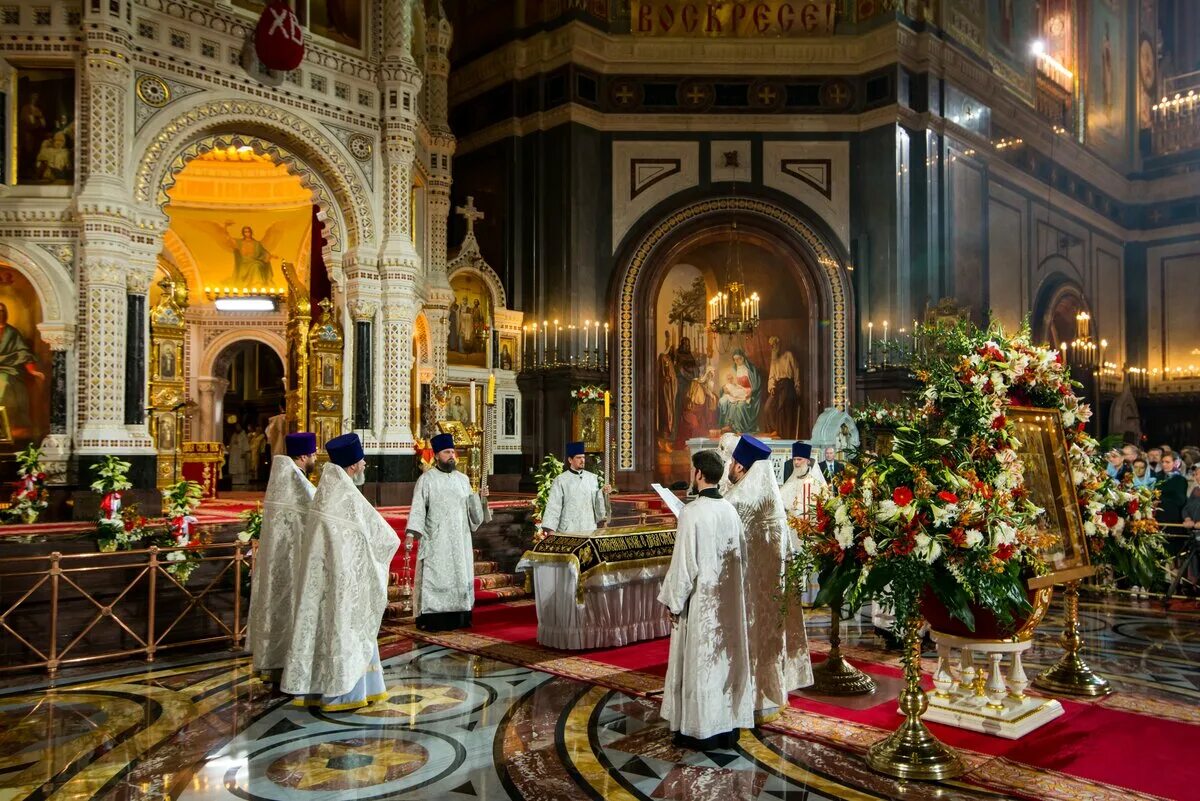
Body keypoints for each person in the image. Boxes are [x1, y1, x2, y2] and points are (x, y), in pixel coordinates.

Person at [282, 433, 397, 711]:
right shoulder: (345, 498)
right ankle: (346, 692)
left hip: (325, 582)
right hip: (346, 585)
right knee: (346, 630)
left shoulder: (327, 492)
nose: (366, 465)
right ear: (353, 466)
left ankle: (322, 687)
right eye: (362, 461)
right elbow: (381, 538)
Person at [658, 449, 754, 751]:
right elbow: (742, 558)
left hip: (701, 604)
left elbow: (684, 566)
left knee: (701, 666)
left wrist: (673, 602)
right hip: (726, 602)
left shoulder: (692, 513)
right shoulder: (730, 510)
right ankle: (725, 727)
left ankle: (697, 729)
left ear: (698, 474)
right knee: (723, 664)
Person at [723, 434, 812, 722]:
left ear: (741, 467)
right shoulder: (773, 498)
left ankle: (746, 697)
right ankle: (772, 692)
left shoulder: (736, 500)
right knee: (770, 639)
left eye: (733, 462)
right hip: (774, 590)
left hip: (746, 591)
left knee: (748, 639)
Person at [248, 433, 317, 685]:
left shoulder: (284, 477)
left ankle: (275, 662)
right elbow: (318, 510)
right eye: (313, 454)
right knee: (289, 606)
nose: (315, 458)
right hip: (293, 557)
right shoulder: (297, 483)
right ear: (303, 456)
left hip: (283, 555)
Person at [406, 432, 488, 632]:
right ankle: (433, 618)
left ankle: (459, 616)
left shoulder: (463, 479)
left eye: (453, 451)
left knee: (459, 575)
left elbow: (474, 516)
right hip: (436, 539)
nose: (452, 455)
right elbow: (418, 508)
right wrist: (411, 533)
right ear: (436, 455)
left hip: (460, 539)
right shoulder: (426, 480)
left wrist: (481, 498)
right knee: (436, 575)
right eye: (446, 452)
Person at [540, 441, 610, 534]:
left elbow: (596, 504)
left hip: (588, 527)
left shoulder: (592, 478)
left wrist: (602, 492)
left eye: (583, 457)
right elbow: (554, 506)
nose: (582, 460)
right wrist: (551, 531)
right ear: (570, 460)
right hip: (568, 529)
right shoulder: (560, 480)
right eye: (578, 458)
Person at [0, 302, 45, 433]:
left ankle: (7, 429)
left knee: (7, 387)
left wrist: (32, 370)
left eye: (2, 311)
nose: (0, 313)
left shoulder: (12, 332)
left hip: (10, 369)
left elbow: (23, 353)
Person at [761, 337, 801, 439]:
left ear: (779, 345)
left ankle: (783, 433)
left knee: (782, 408)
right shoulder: (774, 359)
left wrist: (797, 386)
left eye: (775, 345)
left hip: (788, 385)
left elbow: (796, 370)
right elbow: (771, 375)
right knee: (767, 408)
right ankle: (775, 429)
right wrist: (772, 387)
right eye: (772, 346)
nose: (774, 348)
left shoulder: (788, 355)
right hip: (778, 386)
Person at [717, 348, 762, 433]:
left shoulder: (751, 369)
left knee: (740, 406)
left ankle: (739, 428)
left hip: (748, 393)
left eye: (738, 359)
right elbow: (732, 382)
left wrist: (751, 392)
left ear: (743, 358)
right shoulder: (735, 369)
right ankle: (729, 425)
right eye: (735, 359)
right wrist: (725, 388)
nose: (737, 361)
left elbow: (756, 384)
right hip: (739, 391)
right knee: (727, 402)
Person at [781, 442, 827, 521]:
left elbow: (825, 499)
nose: (796, 462)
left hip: (811, 524)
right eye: (794, 459)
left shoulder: (815, 481)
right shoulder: (791, 481)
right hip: (793, 524)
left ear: (808, 461)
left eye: (799, 459)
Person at [1157, 453, 1188, 525]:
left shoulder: (1180, 480)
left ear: (1176, 463)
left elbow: (1180, 500)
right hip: (1158, 515)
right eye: (1162, 462)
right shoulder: (1159, 477)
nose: (1164, 464)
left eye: (1167, 462)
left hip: (1172, 515)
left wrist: (1160, 501)